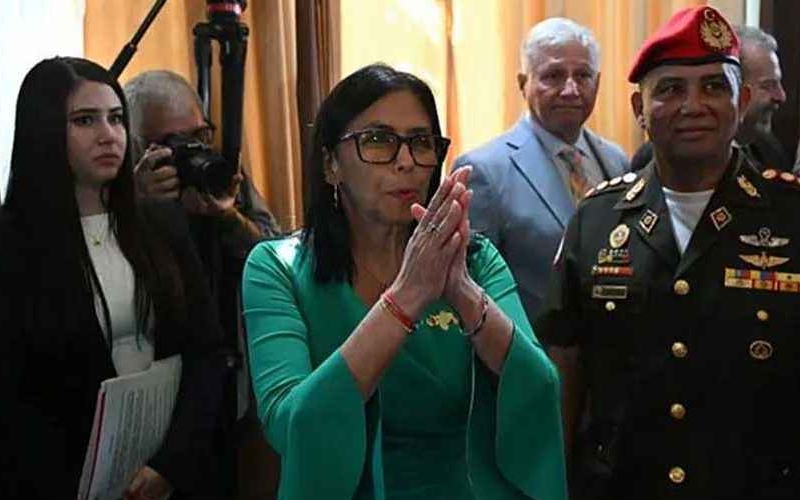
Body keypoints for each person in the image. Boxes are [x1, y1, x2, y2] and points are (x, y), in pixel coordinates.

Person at [242, 63, 567, 500]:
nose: (406, 161)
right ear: (330, 164)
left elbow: (539, 387)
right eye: (378, 140)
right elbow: (291, 425)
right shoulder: (276, 267)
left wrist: (462, 292)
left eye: (420, 142)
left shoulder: (473, 259)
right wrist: (405, 297)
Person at [536, 6, 800, 499]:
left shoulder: (790, 214)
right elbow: (566, 368)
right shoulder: (596, 219)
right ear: (640, 108)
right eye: (671, 89)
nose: (692, 105)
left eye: (713, 86)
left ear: (742, 100)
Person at [0, 57, 226, 500]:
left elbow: (207, 351)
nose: (109, 135)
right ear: (43, 130)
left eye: (117, 118)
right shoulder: (12, 244)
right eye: (85, 120)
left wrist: (169, 465)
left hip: (167, 474)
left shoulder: (161, 224)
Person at [123, 70, 280, 496]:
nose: (191, 152)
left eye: (199, 136)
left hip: (230, 397)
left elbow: (276, 259)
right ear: (135, 146)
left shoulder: (219, 174)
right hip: (154, 410)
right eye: (171, 143)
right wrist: (139, 207)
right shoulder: (117, 194)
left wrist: (227, 216)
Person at [453, 17, 628, 325]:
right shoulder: (483, 172)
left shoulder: (617, 162)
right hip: (529, 348)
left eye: (583, 75)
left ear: (598, 83)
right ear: (524, 84)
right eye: (553, 76)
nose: (571, 90)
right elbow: (470, 290)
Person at [733, 25, 791, 171]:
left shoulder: (769, 149)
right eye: (768, 86)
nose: (781, 96)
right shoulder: (696, 158)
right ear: (734, 88)